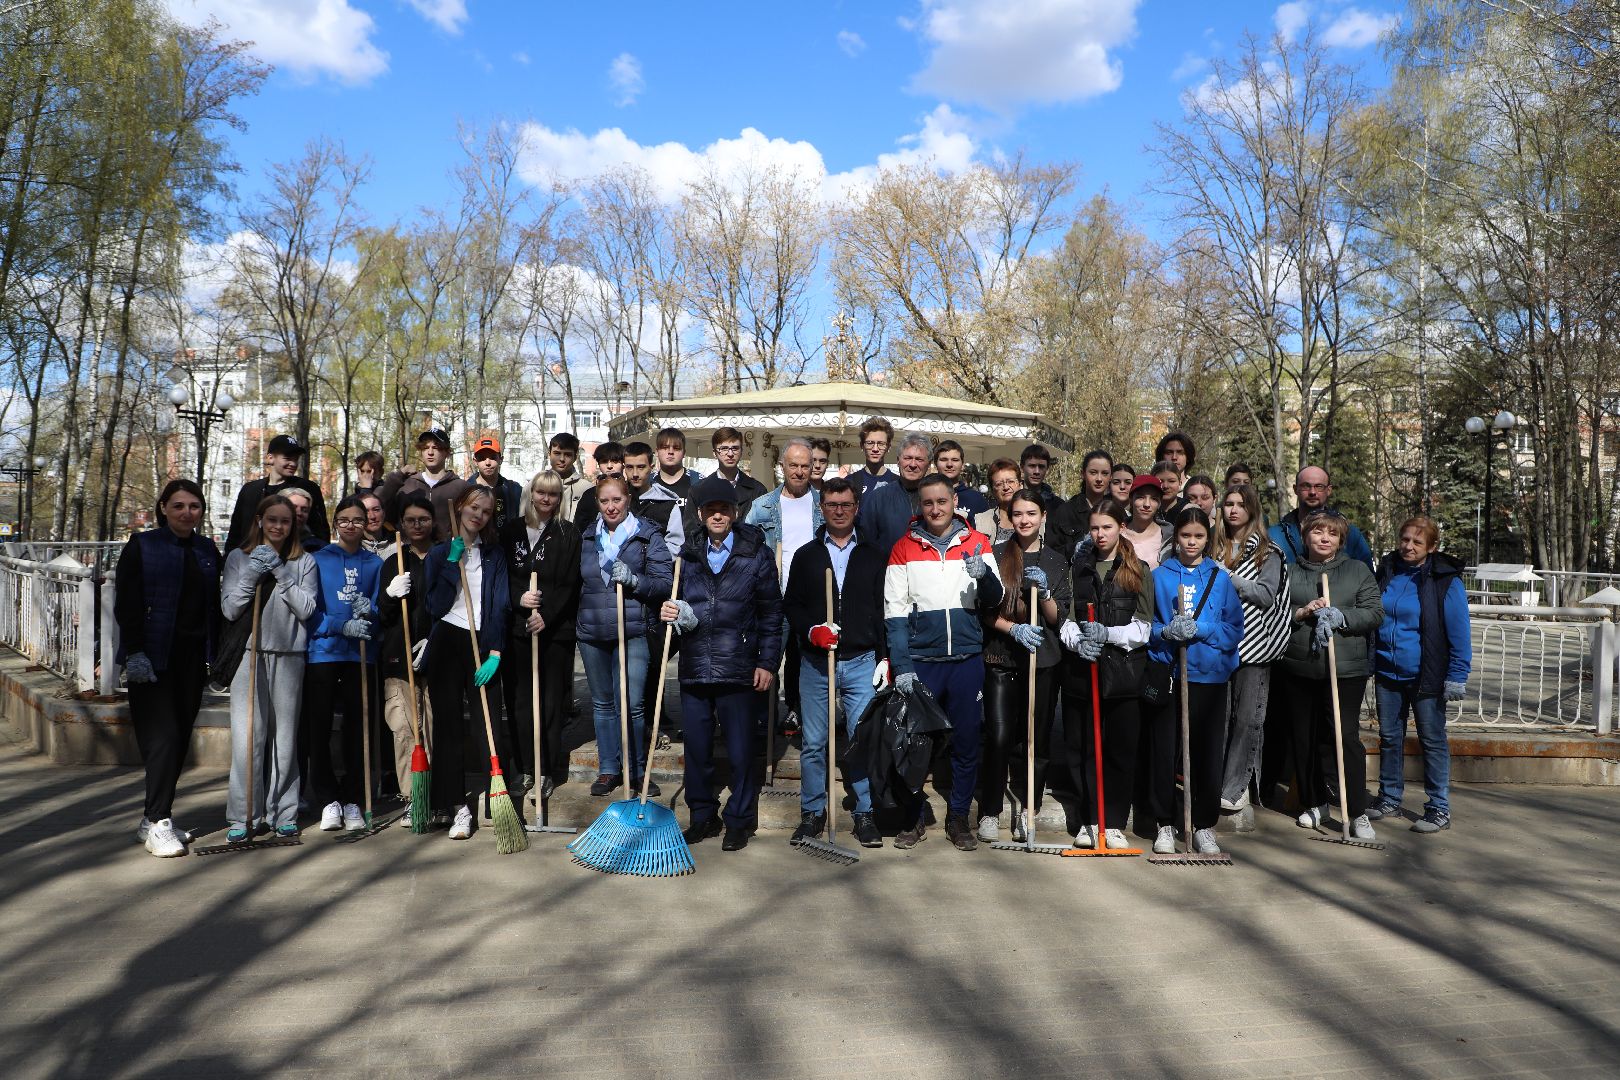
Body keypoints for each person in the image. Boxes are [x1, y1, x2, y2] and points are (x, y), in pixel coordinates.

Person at [881, 473, 1004, 851]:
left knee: (967, 741)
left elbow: (994, 598)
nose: (935, 509)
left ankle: (957, 819)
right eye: (928, 503)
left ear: (954, 502)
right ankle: (914, 817)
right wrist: (902, 667)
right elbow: (895, 614)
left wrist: (983, 578)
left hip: (966, 660)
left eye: (942, 502)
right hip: (923, 661)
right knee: (916, 744)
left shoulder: (978, 542)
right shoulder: (903, 548)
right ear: (920, 505)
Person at [662, 476, 784, 851]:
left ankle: (739, 820)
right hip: (697, 667)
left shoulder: (755, 553)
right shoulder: (687, 555)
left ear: (734, 513)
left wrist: (767, 662)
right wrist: (672, 611)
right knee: (697, 751)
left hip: (739, 666)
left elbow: (771, 613)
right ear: (700, 514)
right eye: (711, 510)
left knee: (740, 750)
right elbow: (674, 602)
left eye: (724, 509)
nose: (718, 515)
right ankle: (702, 816)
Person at [116, 480, 223, 857]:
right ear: (163, 508)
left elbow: (214, 606)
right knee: (161, 737)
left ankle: (153, 816)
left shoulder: (207, 549)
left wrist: (217, 655)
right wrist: (133, 651)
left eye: (194, 506)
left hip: (191, 659)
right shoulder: (143, 546)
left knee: (178, 739)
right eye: (178, 505)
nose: (186, 513)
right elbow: (126, 602)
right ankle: (160, 823)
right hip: (152, 658)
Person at [781, 476, 886, 848]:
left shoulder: (873, 555)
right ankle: (812, 812)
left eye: (845, 505)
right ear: (821, 508)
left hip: (860, 660)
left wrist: (885, 657)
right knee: (813, 742)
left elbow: (882, 608)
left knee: (860, 739)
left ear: (856, 508)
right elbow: (791, 604)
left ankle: (864, 813)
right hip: (815, 661)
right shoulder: (807, 555)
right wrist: (811, 631)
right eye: (831, 505)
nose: (838, 511)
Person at [1275, 510, 1384, 840]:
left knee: (1343, 737)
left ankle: (1356, 811)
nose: (1324, 538)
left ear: (1340, 540)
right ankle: (1315, 802)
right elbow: (1275, 613)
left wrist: (1342, 616)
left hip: (1345, 669)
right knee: (1304, 738)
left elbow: (1375, 613)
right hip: (1299, 667)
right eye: (1318, 532)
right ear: (1306, 536)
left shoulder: (1357, 570)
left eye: (1332, 534)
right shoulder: (1289, 572)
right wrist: (1301, 612)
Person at [1143, 506, 1243, 856]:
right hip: (1171, 674)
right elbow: (1147, 625)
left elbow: (1234, 628)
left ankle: (1203, 824)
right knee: (1165, 751)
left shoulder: (1219, 577)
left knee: (1206, 752)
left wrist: (1202, 629)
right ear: (1176, 537)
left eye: (1199, 537)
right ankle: (1166, 822)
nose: (1192, 542)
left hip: (1210, 676)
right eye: (1186, 535)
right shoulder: (1159, 576)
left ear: (1208, 539)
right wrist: (1165, 631)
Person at [220, 494, 317, 842]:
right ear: (260, 520)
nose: (278, 526)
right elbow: (230, 609)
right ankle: (244, 814)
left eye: (285, 521)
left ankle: (284, 811)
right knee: (249, 735)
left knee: (285, 739)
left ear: (294, 525)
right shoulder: (237, 557)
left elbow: (307, 609)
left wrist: (279, 570)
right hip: (249, 654)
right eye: (272, 519)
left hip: (289, 655)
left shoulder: (304, 561)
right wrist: (252, 572)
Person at [1059, 497, 1155, 850]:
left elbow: (1143, 628)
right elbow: (1067, 619)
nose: (1100, 534)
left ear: (1121, 527)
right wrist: (1078, 642)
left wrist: (1108, 634)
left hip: (1123, 677)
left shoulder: (1138, 570)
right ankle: (1088, 819)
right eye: (1095, 528)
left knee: (1119, 750)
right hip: (1082, 676)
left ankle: (1112, 822)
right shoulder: (1079, 567)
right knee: (1081, 749)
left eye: (1107, 527)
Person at [975, 489, 1069, 843]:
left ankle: (1029, 811)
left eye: (1031, 513)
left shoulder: (1057, 562)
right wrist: (1013, 628)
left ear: (1043, 516)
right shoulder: (996, 555)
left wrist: (1044, 595)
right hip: (1002, 657)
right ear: (1008, 518)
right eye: (1018, 514)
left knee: (1036, 740)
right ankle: (989, 811)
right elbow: (985, 611)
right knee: (999, 736)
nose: (1025, 520)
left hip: (1043, 661)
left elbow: (1059, 618)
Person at [422, 487, 513, 839]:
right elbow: (435, 605)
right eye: (474, 507)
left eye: (486, 511)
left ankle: (497, 798)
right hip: (448, 639)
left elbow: (501, 605)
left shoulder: (494, 555)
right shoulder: (441, 552)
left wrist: (496, 652)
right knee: (448, 728)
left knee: (486, 724)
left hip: (482, 643)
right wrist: (450, 564)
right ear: (460, 507)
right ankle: (454, 805)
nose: (479, 515)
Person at [1369, 517, 1471, 833]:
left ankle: (1438, 808)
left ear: (1432, 547)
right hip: (1388, 672)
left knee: (1432, 740)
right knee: (1389, 737)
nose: (1409, 546)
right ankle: (1389, 797)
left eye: (1417, 541)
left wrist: (1457, 674)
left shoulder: (1444, 581)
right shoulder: (1387, 573)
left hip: (1426, 675)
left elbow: (1459, 631)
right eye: (1405, 539)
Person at [575, 475, 674, 796]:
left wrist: (635, 581)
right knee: (602, 705)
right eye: (604, 501)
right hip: (592, 633)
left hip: (633, 631)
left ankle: (636, 769)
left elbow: (663, 584)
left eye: (616, 500)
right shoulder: (587, 537)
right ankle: (608, 769)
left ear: (628, 499)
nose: (611, 506)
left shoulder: (647, 537)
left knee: (631, 706)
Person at [500, 471, 583, 799]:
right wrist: (519, 597)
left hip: (555, 632)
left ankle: (546, 769)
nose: (546, 499)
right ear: (531, 494)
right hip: (517, 631)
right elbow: (501, 572)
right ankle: (523, 767)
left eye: (553, 494)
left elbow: (570, 583)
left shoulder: (568, 533)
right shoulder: (511, 531)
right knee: (520, 702)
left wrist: (546, 616)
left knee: (549, 704)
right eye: (541, 493)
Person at [303, 495, 382, 833]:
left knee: (358, 727)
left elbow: (381, 609)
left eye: (358, 520)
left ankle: (353, 797)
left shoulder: (374, 563)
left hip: (358, 654)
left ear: (367, 524)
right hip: (323, 651)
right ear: (336, 523)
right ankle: (327, 799)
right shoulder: (317, 559)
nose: (351, 526)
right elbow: (310, 610)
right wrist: (337, 625)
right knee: (318, 726)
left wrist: (371, 612)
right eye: (345, 520)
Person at [1211, 484, 1290, 816]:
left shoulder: (1267, 552)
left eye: (1241, 504)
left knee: (1247, 720)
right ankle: (1215, 782)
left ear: (1252, 509)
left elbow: (1265, 595)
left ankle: (1237, 787)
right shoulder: (1213, 547)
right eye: (1228, 503)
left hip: (1255, 644)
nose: (1233, 510)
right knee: (1219, 719)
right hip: (1216, 643)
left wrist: (1229, 577)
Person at [377, 494, 435, 825]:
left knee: (429, 730)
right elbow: (382, 615)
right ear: (401, 524)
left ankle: (430, 793)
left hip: (433, 659)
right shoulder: (393, 564)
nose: (416, 526)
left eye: (423, 519)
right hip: (398, 661)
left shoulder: (441, 558)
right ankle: (413, 797)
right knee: (404, 730)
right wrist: (389, 594)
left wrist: (434, 641)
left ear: (432, 523)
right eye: (410, 520)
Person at [225, 434, 329, 551]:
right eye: (288, 458)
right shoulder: (250, 490)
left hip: (292, 560)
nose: (293, 464)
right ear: (270, 458)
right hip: (248, 559)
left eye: (296, 459)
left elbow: (321, 530)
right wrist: (228, 562)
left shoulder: (307, 488)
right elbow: (235, 532)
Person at [1269, 465, 1373, 569]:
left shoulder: (1350, 535)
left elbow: (1368, 579)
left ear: (1328, 490)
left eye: (1319, 486)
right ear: (1295, 489)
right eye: (1306, 486)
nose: (1312, 492)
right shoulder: (1274, 536)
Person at [380, 429, 470, 542]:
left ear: (447, 452)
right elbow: (382, 509)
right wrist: (400, 474)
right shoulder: (407, 484)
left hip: (447, 553)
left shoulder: (461, 487)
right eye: (425, 448)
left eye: (436, 448)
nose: (430, 452)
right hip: (410, 553)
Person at [857, 432, 933, 558]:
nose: (913, 465)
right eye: (907, 458)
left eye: (919, 459)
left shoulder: (936, 499)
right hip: (888, 573)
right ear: (898, 460)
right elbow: (866, 544)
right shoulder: (877, 499)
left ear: (928, 464)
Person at [1050, 449, 1114, 556]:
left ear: (1111, 477)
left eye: (1105, 473)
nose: (1099, 479)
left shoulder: (1116, 511)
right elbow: (1052, 552)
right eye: (1093, 473)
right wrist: (1075, 548)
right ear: (1083, 474)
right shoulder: (1065, 511)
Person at [708, 426, 768, 519]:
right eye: (724, 448)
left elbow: (762, 529)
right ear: (715, 453)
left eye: (735, 448)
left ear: (741, 451)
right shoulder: (699, 490)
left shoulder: (758, 491)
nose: (730, 454)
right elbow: (692, 530)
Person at [470, 436, 525, 532]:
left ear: (501, 459)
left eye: (492, 457)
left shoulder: (514, 490)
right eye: (482, 458)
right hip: (475, 546)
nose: (487, 463)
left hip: (506, 546)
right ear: (475, 462)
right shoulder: (466, 489)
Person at [570, 441, 626, 532]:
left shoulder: (631, 490)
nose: (609, 466)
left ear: (623, 464)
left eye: (615, 461)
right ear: (598, 465)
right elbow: (579, 528)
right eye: (604, 461)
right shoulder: (589, 495)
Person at [1123, 475, 1169, 570]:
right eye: (1140, 497)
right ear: (1131, 500)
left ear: (1159, 503)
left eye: (1154, 499)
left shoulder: (1169, 537)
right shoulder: (1116, 531)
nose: (1147, 504)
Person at [933, 439, 989, 516]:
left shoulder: (976, 499)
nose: (949, 464)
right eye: (944, 460)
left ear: (962, 465)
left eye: (955, 460)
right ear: (936, 464)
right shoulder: (926, 495)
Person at [974, 458, 1023, 544]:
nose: (1006, 487)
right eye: (999, 484)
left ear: (1020, 485)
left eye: (1010, 481)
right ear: (993, 491)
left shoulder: (1034, 518)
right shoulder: (980, 521)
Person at [550, 432, 589, 522]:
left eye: (567, 454)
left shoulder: (587, 489)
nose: (562, 459)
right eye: (557, 453)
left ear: (575, 457)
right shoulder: (534, 486)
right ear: (549, 454)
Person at [852, 416, 896, 495]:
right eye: (870, 443)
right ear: (862, 446)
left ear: (888, 447)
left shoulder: (898, 484)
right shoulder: (850, 482)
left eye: (881, 444)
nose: (875, 449)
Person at [1019, 444, 1061, 515]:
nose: (1037, 472)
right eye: (1032, 466)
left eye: (1041, 467)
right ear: (1022, 467)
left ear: (1047, 469)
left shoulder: (1058, 506)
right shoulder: (1010, 499)